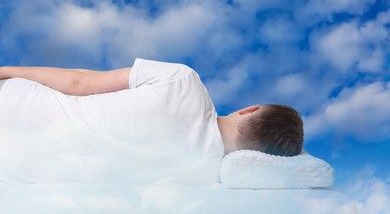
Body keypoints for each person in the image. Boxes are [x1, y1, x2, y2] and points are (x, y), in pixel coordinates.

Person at [0, 58, 303, 184]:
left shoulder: (184, 81)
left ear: (250, 110)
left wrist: (5, 69)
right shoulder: (204, 177)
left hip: (14, 101)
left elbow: (79, 82)